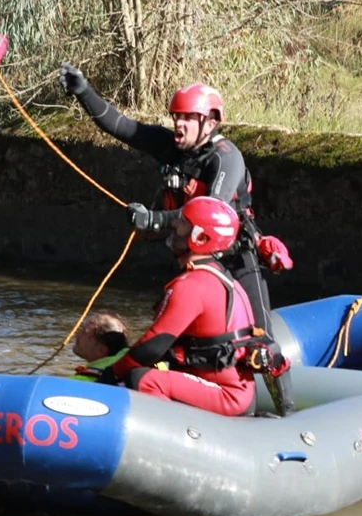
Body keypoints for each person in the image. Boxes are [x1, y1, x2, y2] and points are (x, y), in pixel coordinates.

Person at [57, 63, 294, 332]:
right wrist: (83, 91)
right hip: (192, 257)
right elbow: (120, 126)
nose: (179, 123)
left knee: (260, 339)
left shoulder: (226, 158)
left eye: (189, 117)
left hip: (236, 258)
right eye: (176, 116)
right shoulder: (171, 146)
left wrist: (154, 220)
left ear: (211, 123)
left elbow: (209, 213)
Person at [98, 197, 291, 416]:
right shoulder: (220, 277)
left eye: (183, 223)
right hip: (229, 388)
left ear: (201, 237)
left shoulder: (193, 285)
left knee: (141, 379)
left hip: (227, 394)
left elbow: (152, 346)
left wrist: (109, 374)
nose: (175, 226)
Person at [70, 311, 129, 381]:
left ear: (101, 350)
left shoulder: (79, 382)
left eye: (84, 332)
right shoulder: (133, 367)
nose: (76, 335)